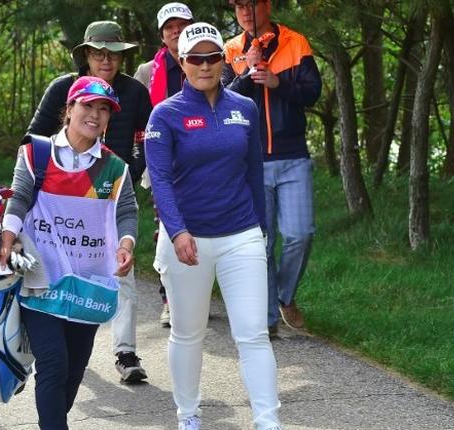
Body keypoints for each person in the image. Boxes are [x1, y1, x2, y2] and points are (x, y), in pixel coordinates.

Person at [146, 23, 282, 430]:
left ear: (224, 60)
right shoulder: (164, 114)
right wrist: (177, 231)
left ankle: (267, 420)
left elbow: (254, 172)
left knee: (253, 334)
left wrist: (260, 230)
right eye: (195, 58)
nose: (205, 65)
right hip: (187, 240)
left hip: (240, 234)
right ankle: (188, 415)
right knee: (188, 334)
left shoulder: (245, 108)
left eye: (212, 57)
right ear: (182, 63)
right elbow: (162, 181)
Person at [0, 76, 138, 429]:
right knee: (54, 363)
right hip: (41, 279)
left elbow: (126, 212)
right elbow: (19, 197)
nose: (95, 114)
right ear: (69, 109)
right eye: (88, 106)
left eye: (103, 109)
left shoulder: (115, 168)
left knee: (73, 371)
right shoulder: (36, 153)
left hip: (88, 286)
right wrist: (8, 236)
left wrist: (125, 245)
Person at [27, 20, 152, 384]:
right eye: (99, 54)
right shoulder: (63, 88)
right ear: (86, 55)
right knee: (55, 267)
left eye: (114, 55)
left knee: (120, 269)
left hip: (110, 194)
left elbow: (147, 136)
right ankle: (48, 340)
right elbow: (33, 136)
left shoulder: (134, 92)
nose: (107, 61)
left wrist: (134, 167)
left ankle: (125, 351)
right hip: (59, 196)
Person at [222, 0, 322, 334]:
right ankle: (266, 321)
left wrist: (279, 83)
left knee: (300, 234)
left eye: (251, 3)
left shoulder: (296, 42)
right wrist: (249, 74)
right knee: (261, 244)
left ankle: (285, 296)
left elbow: (313, 92)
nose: (245, 11)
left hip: (293, 156)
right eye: (237, 6)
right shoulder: (231, 49)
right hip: (251, 161)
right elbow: (221, 101)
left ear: (267, 5)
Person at [133, 2, 194, 328]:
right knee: (168, 230)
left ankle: (194, 294)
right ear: (162, 34)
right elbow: (139, 120)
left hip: (200, 162)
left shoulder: (204, 61)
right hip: (163, 163)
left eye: (182, 25)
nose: (176, 31)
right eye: (170, 27)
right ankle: (169, 298)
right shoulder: (148, 72)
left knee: (198, 226)